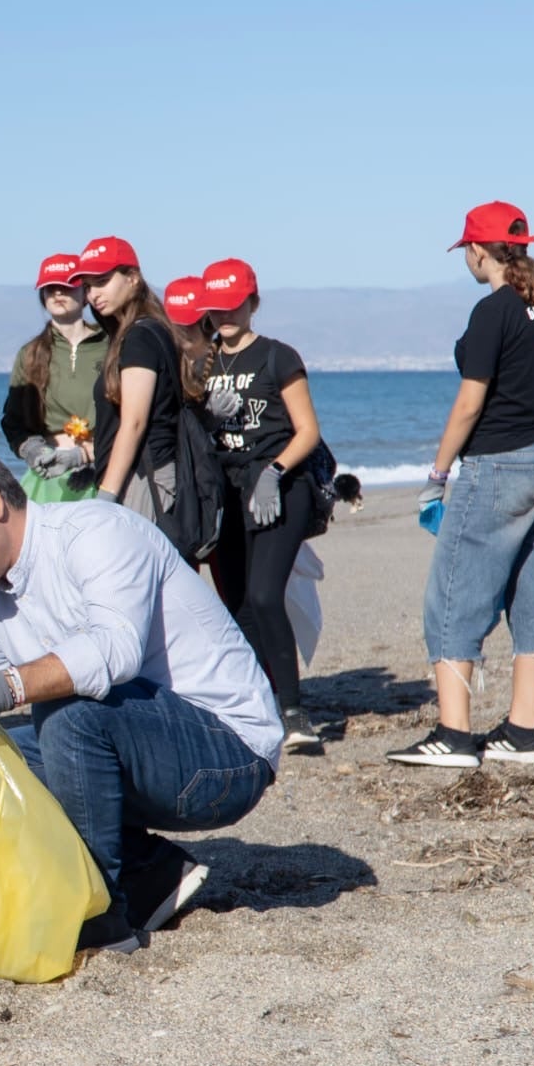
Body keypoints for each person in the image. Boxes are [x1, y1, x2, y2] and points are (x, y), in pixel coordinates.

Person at [0, 443, 283, 952]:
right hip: (144, 751)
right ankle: (151, 875)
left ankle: (103, 911)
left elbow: (113, 651)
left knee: (67, 707)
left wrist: (7, 686)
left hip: (228, 754)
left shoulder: (96, 533)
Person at [390, 202, 534, 768]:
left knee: (451, 596)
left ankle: (453, 734)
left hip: (497, 465)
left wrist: (437, 474)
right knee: (530, 593)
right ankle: (523, 732)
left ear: (477, 250)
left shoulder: (491, 310)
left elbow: (471, 402)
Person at [197, 258, 326, 753]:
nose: (225, 317)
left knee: (267, 595)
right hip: (225, 492)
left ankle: (294, 713)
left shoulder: (277, 356)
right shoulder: (205, 363)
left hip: (279, 487)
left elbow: (307, 431)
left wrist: (273, 473)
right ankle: (258, 704)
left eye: (234, 307)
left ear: (253, 303)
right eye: (217, 310)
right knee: (237, 604)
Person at [70, 237, 197, 522]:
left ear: (133, 279)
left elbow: (135, 421)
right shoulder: (144, 331)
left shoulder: (139, 336)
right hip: (144, 474)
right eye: (87, 286)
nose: (92, 294)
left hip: (144, 477)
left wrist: (107, 494)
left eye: (102, 281)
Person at [4, 253, 108, 503]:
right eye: (50, 288)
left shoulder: (112, 345)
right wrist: (33, 451)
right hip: (49, 474)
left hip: (104, 467)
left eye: (67, 286)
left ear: (85, 294)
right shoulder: (29, 354)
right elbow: (13, 422)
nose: (58, 293)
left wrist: (88, 455)